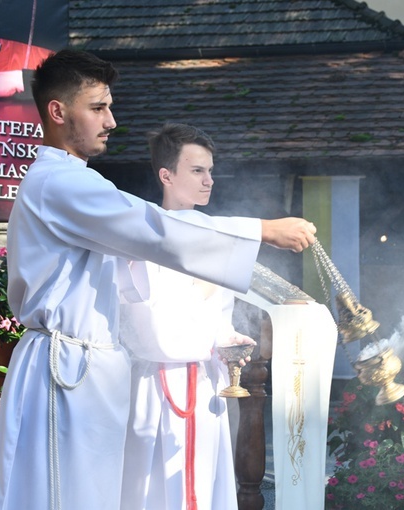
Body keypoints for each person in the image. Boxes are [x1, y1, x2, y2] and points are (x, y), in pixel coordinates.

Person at [0, 49, 316, 510]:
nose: (112, 121)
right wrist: (261, 230)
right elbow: (154, 227)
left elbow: (140, 266)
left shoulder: (77, 182)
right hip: (63, 369)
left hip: (90, 368)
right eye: (98, 107)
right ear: (58, 112)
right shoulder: (58, 182)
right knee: (62, 497)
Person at [119, 123, 251, 510]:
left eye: (211, 171)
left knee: (206, 481)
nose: (209, 181)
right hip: (158, 382)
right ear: (166, 175)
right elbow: (148, 324)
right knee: (154, 487)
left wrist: (227, 338)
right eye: (197, 171)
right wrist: (209, 339)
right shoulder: (144, 236)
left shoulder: (217, 237)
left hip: (206, 381)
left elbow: (219, 315)